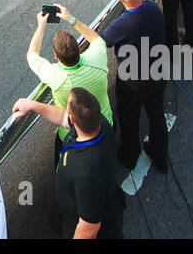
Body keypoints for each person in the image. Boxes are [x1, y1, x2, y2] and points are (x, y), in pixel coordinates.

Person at [11, 86, 123, 239]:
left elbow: (89, 228)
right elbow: (62, 117)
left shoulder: (86, 176)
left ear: (74, 119)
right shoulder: (97, 122)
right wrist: (32, 106)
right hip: (76, 210)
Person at [101, 0, 169, 172]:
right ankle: (160, 157)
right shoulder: (154, 9)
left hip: (133, 82)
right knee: (157, 116)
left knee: (129, 119)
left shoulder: (122, 24)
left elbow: (101, 41)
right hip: (157, 72)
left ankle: (130, 156)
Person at [25, 4, 113, 125]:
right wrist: (71, 19)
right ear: (79, 48)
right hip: (105, 123)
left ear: (56, 56)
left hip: (72, 131)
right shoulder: (97, 58)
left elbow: (31, 55)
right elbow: (96, 39)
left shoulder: (53, 75)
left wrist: (41, 26)